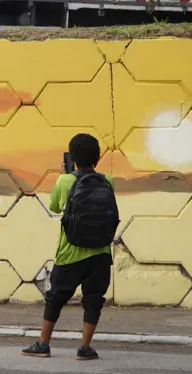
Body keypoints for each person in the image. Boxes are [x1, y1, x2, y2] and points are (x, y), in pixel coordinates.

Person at [22, 133, 118, 361]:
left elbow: (55, 207)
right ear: (97, 157)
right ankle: (85, 348)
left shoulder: (65, 181)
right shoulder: (108, 181)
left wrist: (66, 176)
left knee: (55, 297)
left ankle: (43, 344)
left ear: (72, 157)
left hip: (70, 252)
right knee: (93, 299)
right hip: (101, 254)